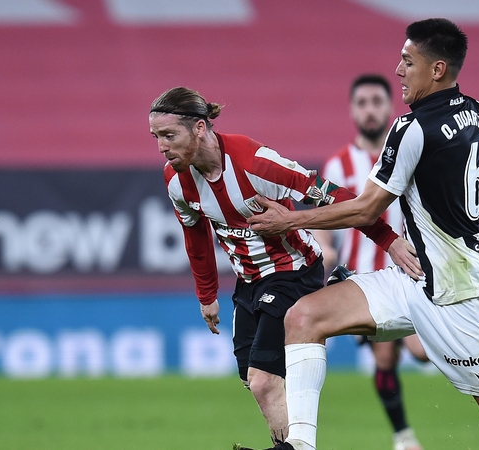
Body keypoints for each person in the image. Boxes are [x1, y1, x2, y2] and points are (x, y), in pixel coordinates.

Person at [236, 18, 479, 450]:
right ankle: (299, 446)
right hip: (414, 277)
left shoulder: (410, 128)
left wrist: (289, 221)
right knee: (302, 317)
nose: (398, 70)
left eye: (407, 61)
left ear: (437, 69)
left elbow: (367, 208)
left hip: (460, 294)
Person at [149, 86, 416, 446]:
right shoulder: (176, 182)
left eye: (169, 135)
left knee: (264, 379)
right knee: (255, 379)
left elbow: (334, 195)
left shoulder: (254, 162)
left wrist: (389, 240)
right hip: (248, 283)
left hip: (293, 271)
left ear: (199, 128)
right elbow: (194, 234)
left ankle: (331, 304)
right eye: (156, 137)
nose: (162, 147)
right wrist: (206, 294)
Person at [311, 73, 429, 450]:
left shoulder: (409, 156)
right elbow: (323, 226)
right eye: (362, 103)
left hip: (410, 272)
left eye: (377, 102)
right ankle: (404, 437)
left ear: (390, 107)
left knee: (423, 355)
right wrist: (324, 251)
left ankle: (404, 435)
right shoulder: (337, 166)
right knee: (384, 355)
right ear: (352, 111)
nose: (370, 110)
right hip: (363, 280)